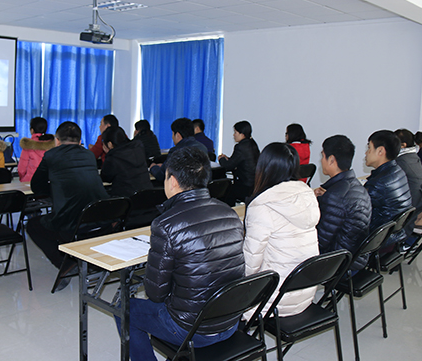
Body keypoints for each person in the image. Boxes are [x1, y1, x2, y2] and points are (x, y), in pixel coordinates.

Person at [124, 146, 245, 361]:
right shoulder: (230, 214)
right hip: (230, 322)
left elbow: (155, 294)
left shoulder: (166, 225)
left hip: (192, 330)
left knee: (124, 309)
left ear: (172, 181)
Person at [243, 142, 320, 320]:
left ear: (263, 168)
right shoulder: (307, 196)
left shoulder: (262, 206)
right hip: (304, 293)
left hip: (274, 300)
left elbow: (250, 265)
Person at [26, 121, 109, 272]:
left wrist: (54, 191)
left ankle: (65, 264)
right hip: (98, 217)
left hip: (70, 222)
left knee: (32, 225)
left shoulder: (51, 155)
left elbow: (36, 186)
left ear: (57, 140)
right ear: (80, 141)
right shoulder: (89, 155)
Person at [314, 135, 372, 270]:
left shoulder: (335, 197)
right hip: (356, 257)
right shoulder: (357, 186)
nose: (321, 161)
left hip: (339, 265)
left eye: (323, 156)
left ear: (331, 160)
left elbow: (320, 243)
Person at [364, 130, 412, 239]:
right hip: (395, 235)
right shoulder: (398, 171)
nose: (366, 153)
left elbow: (357, 212)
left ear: (380, 151)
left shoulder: (378, 183)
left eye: (369, 148)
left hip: (378, 240)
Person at [100, 126, 153, 197]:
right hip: (147, 196)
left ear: (110, 144)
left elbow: (105, 178)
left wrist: (108, 154)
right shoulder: (138, 148)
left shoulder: (113, 157)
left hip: (126, 199)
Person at [218, 121, 260, 206]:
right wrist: (228, 159)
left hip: (244, 184)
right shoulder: (252, 143)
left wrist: (221, 159)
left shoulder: (240, 147)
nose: (234, 135)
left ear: (242, 134)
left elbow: (228, 166)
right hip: (254, 183)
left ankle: (229, 211)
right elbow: (239, 161)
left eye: (235, 132)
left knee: (224, 193)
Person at [17, 117, 55, 182]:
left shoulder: (28, 145)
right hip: (48, 181)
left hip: (30, 181)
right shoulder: (53, 146)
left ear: (32, 130)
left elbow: (21, 169)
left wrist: (23, 179)